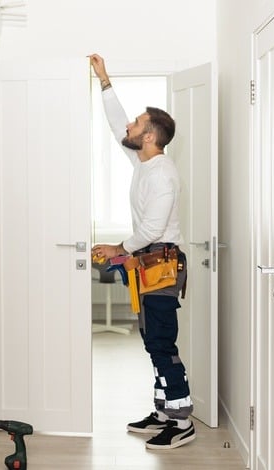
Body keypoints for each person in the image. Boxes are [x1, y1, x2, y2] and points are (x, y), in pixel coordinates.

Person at [89, 53, 195, 450]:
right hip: (148, 260)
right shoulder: (142, 163)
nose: (130, 127)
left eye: (137, 124)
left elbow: (152, 228)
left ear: (150, 136)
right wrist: (104, 80)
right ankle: (164, 413)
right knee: (152, 338)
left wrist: (118, 247)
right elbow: (118, 124)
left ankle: (181, 422)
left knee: (162, 342)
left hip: (162, 264)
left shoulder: (163, 174)